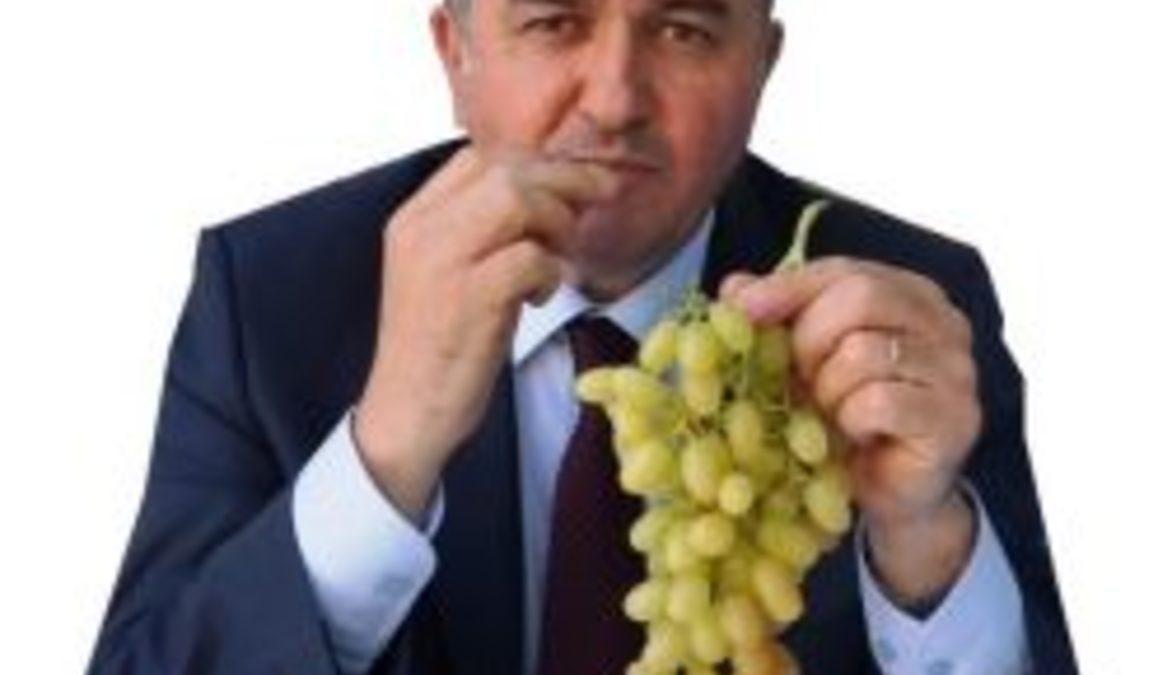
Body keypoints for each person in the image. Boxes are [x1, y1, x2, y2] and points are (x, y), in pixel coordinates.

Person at [88, 1, 1076, 673]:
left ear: (763, 65)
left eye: (685, 29)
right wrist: (382, 455)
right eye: (554, 21)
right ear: (454, 52)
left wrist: (926, 544)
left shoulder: (913, 314)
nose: (614, 99)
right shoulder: (269, 294)